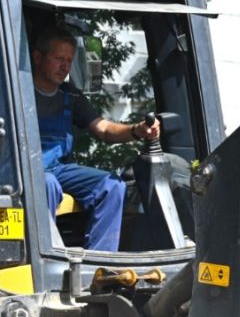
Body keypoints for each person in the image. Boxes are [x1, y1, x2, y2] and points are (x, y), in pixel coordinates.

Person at [30, 26, 160, 251]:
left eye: (69, 60)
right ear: (38, 57)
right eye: (59, 58)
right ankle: (44, 256)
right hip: (25, 169)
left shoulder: (71, 96)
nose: (65, 66)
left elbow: (104, 130)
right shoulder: (20, 90)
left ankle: (99, 262)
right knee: (46, 184)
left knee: (113, 185)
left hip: (58, 169)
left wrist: (136, 130)